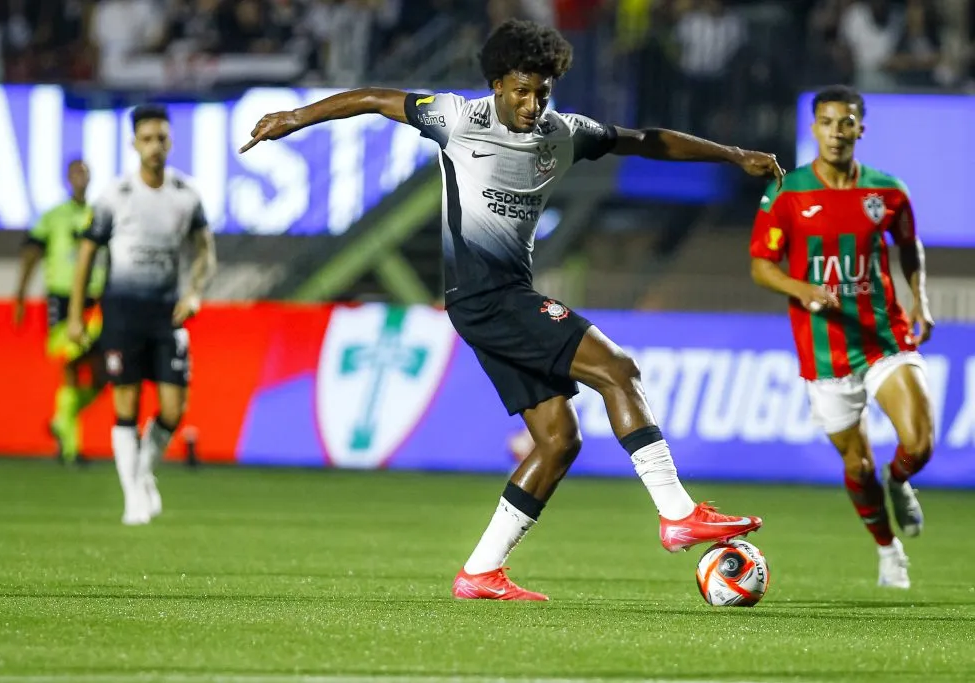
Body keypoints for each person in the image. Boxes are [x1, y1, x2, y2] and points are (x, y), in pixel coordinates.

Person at [240, 19, 783, 601]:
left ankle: (480, 572)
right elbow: (373, 98)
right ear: (497, 84)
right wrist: (294, 118)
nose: (532, 104)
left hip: (497, 299)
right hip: (488, 297)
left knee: (557, 440)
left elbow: (646, 139)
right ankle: (677, 514)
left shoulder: (564, 132)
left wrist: (731, 155)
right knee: (618, 370)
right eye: (521, 90)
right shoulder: (454, 117)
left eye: (543, 91)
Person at [749, 85, 933, 589]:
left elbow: (910, 247)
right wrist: (801, 286)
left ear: (860, 128)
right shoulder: (787, 192)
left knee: (918, 442)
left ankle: (901, 481)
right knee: (858, 462)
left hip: (884, 336)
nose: (836, 132)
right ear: (814, 128)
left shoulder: (888, 191)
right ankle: (887, 548)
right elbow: (762, 266)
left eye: (845, 122)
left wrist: (921, 299)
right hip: (824, 349)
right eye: (826, 122)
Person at [68, 104, 216, 526]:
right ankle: (133, 494)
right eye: (147, 138)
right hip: (122, 312)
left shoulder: (186, 195)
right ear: (134, 144)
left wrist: (194, 292)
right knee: (126, 404)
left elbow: (205, 251)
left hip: (167, 313)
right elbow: (85, 257)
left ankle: (143, 471)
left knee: (173, 408)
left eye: (161, 138)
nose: (155, 146)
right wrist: (78, 314)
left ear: (170, 142)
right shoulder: (115, 197)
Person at [15, 160, 108, 464]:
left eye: (85, 172)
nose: (81, 177)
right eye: (76, 173)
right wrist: (20, 294)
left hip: (94, 302)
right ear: (68, 178)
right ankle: (71, 447)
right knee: (70, 367)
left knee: (101, 376)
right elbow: (31, 252)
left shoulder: (98, 214)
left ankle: (60, 420)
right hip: (63, 300)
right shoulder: (53, 217)